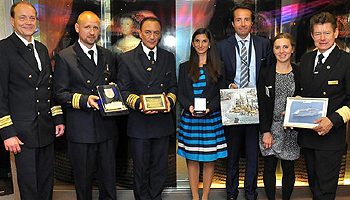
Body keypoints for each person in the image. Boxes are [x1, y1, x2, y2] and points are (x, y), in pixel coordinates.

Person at [0, 2, 65, 200]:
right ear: (12, 21)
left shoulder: (42, 49)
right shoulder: (4, 49)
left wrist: (58, 118)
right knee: (29, 187)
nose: (28, 22)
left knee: (46, 183)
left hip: (45, 128)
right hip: (21, 133)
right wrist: (7, 132)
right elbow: (0, 93)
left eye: (32, 18)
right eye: (22, 17)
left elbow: (49, 88)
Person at [53, 11, 118, 200]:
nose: (92, 32)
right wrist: (84, 100)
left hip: (106, 129)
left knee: (108, 182)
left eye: (96, 27)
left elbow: (112, 83)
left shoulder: (108, 55)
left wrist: (115, 89)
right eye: (87, 27)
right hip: (81, 130)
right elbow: (59, 93)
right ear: (77, 28)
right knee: (84, 183)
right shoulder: (65, 56)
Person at [117, 17, 177, 200]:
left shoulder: (168, 57)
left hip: (162, 122)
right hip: (139, 122)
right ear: (140, 33)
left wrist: (170, 101)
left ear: (160, 35)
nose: (152, 37)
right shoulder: (126, 59)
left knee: (160, 168)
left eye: (156, 33)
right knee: (141, 169)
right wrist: (139, 104)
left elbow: (173, 87)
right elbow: (123, 90)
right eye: (148, 32)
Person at [217, 3, 272, 200]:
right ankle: (231, 193)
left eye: (246, 19)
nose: (242, 23)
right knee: (231, 154)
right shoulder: (221, 46)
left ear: (252, 23)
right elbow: (217, 76)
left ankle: (250, 193)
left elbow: (268, 75)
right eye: (238, 20)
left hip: (255, 107)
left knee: (252, 155)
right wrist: (228, 84)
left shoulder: (263, 44)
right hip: (232, 106)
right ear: (233, 23)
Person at [297, 12, 350, 200]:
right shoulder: (306, 60)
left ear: (336, 33)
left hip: (331, 135)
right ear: (312, 35)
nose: (322, 38)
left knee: (325, 191)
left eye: (327, 33)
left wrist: (332, 120)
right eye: (318, 34)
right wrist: (292, 112)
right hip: (309, 135)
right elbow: (301, 94)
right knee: (314, 185)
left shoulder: (346, 61)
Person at [177, 28, 228, 200]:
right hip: (190, 119)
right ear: (192, 44)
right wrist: (189, 107)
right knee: (192, 159)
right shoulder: (184, 67)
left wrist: (209, 109)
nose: (200, 45)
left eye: (204, 41)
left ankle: (205, 197)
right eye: (197, 41)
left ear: (209, 43)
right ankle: (194, 196)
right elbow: (181, 93)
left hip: (211, 120)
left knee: (208, 160)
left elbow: (221, 93)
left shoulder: (219, 66)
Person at [257, 33, 300, 200]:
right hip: (270, 128)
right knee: (269, 167)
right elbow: (261, 103)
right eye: (277, 47)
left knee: (289, 168)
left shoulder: (299, 72)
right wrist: (265, 131)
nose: (282, 51)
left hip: (291, 129)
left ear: (292, 49)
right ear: (273, 51)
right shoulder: (265, 73)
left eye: (285, 46)